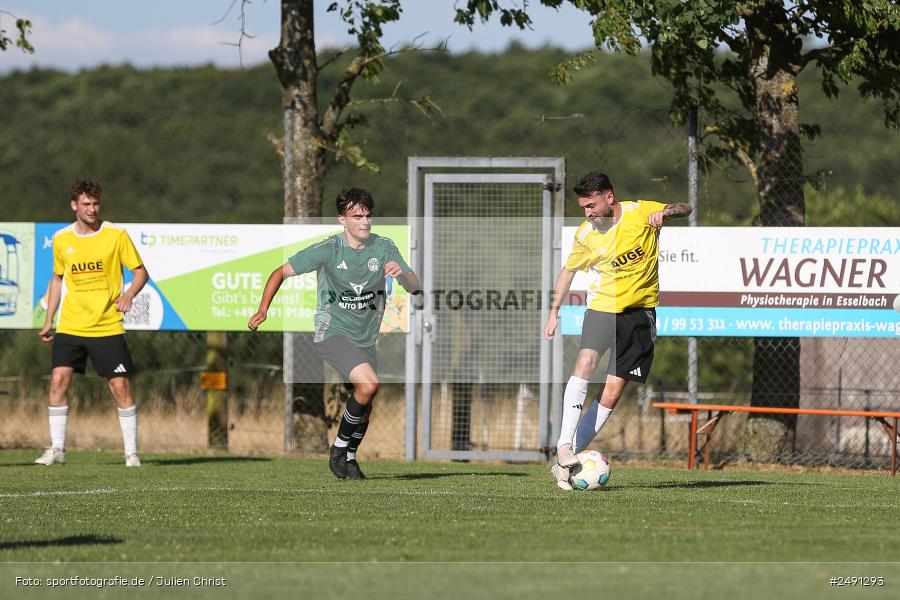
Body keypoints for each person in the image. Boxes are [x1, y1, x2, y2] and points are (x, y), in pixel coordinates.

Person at [249, 188, 421, 480]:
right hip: (332, 333)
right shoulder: (328, 249)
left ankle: (350, 459)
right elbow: (278, 273)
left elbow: (416, 287)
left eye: (368, 216)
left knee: (364, 405)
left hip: (365, 338)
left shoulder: (384, 248)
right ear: (342, 220)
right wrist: (263, 309)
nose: (365, 222)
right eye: (357, 217)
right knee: (369, 385)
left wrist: (403, 274)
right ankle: (339, 448)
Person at [543, 171, 691, 490]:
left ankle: (563, 466)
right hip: (602, 309)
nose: (588, 213)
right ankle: (565, 447)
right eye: (584, 207)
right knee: (585, 362)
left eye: (592, 205)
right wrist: (553, 312)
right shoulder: (586, 234)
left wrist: (665, 212)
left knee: (611, 392)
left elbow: (687, 207)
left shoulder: (639, 213)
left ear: (609, 197)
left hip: (640, 316)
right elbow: (568, 271)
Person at [36, 179, 149, 467]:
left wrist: (129, 295)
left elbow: (140, 273)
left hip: (106, 326)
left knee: (120, 387)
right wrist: (49, 319)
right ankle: (58, 450)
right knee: (58, 382)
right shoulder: (62, 239)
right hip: (71, 325)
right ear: (74, 205)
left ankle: (131, 454)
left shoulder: (115, 235)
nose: (92, 209)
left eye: (95, 203)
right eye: (85, 204)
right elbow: (58, 279)